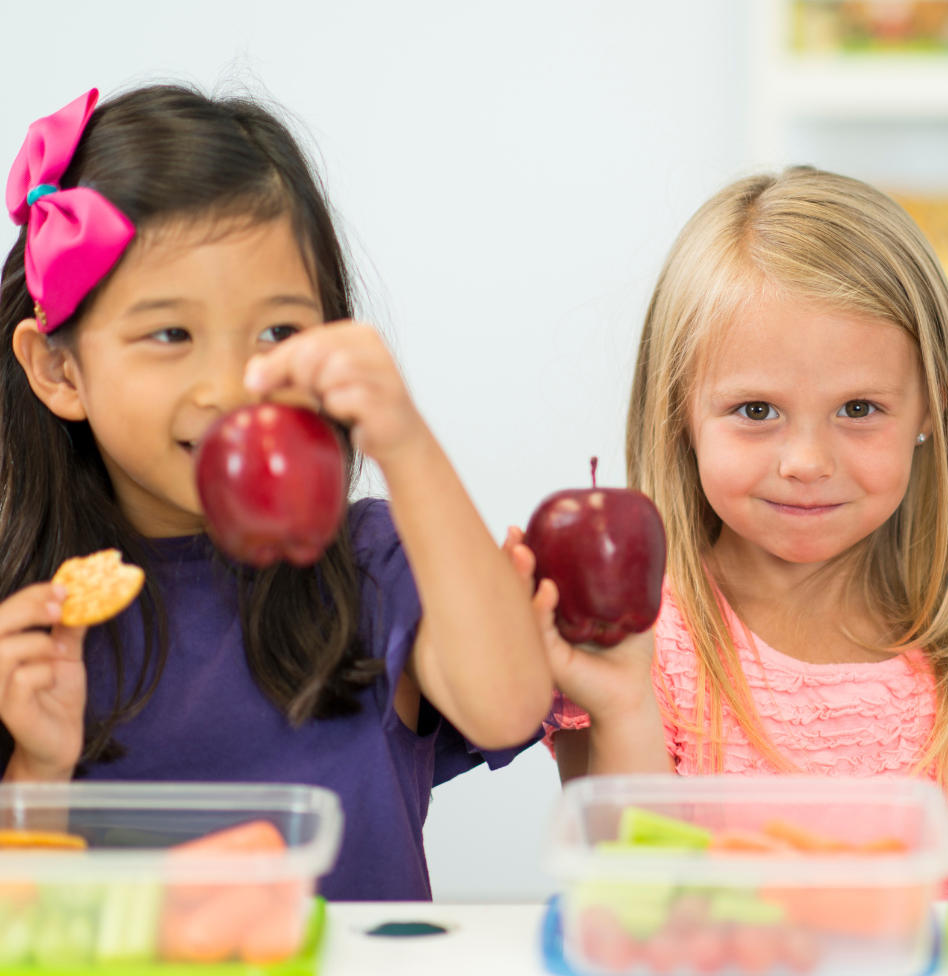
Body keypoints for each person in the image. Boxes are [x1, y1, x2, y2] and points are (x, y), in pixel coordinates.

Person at [0, 87, 555, 899]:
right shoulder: (28, 621)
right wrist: (38, 768)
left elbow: (508, 708)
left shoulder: (374, 565)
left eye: (278, 332)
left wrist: (404, 441)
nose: (233, 387)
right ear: (59, 369)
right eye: (170, 334)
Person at [532, 167, 948, 796]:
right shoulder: (641, 642)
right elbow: (625, 882)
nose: (807, 461)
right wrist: (624, 700)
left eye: (857, 409)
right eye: (757, 411)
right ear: (677, 409)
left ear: (933, 406)